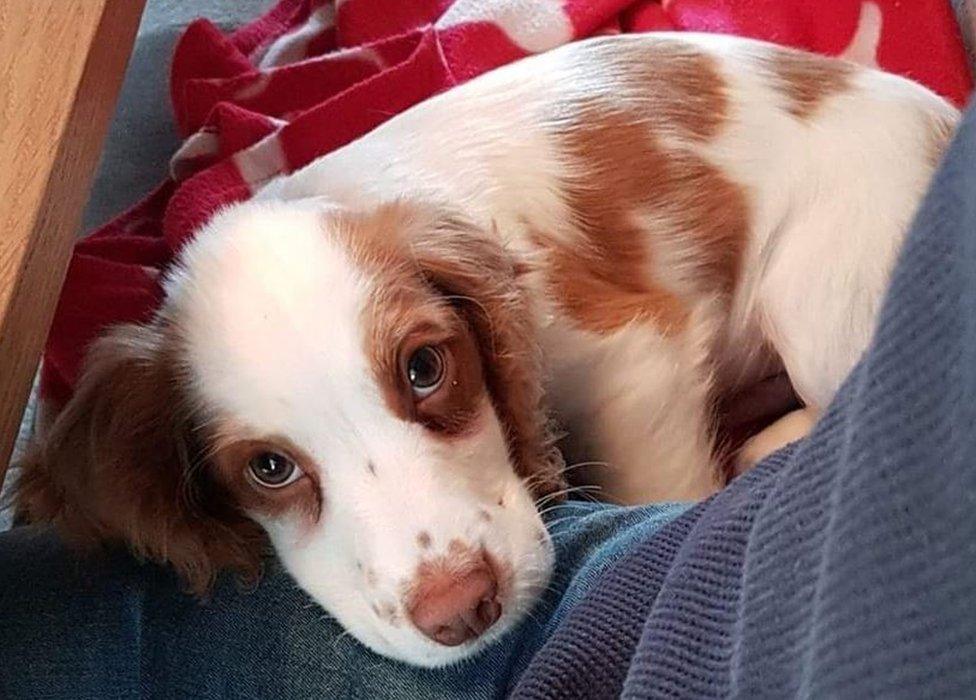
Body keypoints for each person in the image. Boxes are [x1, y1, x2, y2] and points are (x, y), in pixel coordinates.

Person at [3, 104, 975, 700]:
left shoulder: (437, 263)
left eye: (424, 371)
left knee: (865, 387)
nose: (446, 581)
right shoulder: (229, 352)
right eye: (272, 467)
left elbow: (637, 342)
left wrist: (664, 538)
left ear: (485, 330)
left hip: (847, 171)